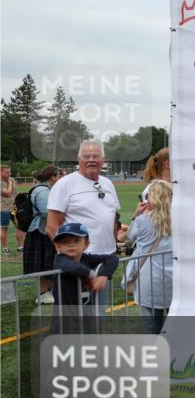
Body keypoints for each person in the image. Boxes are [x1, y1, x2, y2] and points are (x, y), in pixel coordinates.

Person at [46, 140, 121, 305]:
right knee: (72, 317)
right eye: (86, 156)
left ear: (103, 159)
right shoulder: (64, 185)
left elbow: (113, 218)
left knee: (98, 314)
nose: (91, 159)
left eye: (96, 156)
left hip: (104, 260)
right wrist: (70, 259)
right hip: (76, 263)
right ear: (78, 159)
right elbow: (52, 227)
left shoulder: (107, 183)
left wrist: (114, 247)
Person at [124, 181, 173, 334]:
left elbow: (129, 237)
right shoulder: (181, 220)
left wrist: (137, 214)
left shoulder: (142, 221)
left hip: (149, 280)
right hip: (174, 280)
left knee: (151, 329)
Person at [51, 222, 118, 331]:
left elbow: (112, 259)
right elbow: (74, 268)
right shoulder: (60, 260)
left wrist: (103, 277)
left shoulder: (85, 258)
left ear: (86, 244)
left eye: (76, 241)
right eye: (65, 242)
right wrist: (91, 276)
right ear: (57, 246)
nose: (71, 245)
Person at [22, 165, 60, 304]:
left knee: (48, 262)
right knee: (43, 263)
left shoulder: (46, 190)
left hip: (44, 230)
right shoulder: (43, 191)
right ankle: (43, 293)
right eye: (58, 176)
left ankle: (49, 291)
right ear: (53, 177)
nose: (60, 179)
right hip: (41, 231)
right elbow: (46, 211)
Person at [1, 165, 16, 253]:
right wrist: (9, 183)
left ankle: (20, 246)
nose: (9, 174)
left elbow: (13, 192)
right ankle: (4, 248)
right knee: (4, 228)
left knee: (20, 226)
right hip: (3, 209)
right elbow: (7, 193)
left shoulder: (12, 180)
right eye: (7, 172)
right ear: (0, 172)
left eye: (10, 172)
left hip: (14, 207)